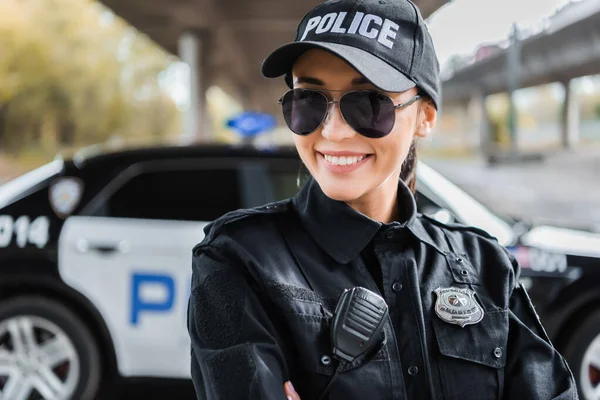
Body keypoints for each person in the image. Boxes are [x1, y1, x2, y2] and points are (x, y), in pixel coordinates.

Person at [187, 0, 578, 399]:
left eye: (370, 102)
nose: (334, 131)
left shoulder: (485, 265)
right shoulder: (238, 258)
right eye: (308, 100)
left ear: (425, 116)